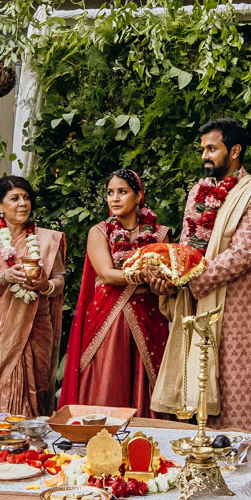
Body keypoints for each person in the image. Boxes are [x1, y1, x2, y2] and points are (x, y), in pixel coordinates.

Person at [144, 118, 251, 431]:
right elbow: (188, 247)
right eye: (203, 149)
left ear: (235, 151)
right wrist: (171, 273)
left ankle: (240, 469)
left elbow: (243, 254)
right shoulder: (198, 192)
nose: (205, 155)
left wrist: (190, 279)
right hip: (192, 303)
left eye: (212, 148)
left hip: (233, 307)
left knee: (233, 386)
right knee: (191, 384)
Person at [60, 169, 172, 416]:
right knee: (108, 379)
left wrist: (165, 282)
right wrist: (142, 275)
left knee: (147, 377)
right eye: (110, 193)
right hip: (108, 322)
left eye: (123, 192)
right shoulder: (99, 232)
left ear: (138, 196)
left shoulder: (161, 234)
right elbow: (108, 274)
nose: (115, 198)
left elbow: (168, 275)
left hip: (150, 317)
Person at [0, 177, 67, 417]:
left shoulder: (45, 239)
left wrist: (45, 285)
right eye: (14, 198)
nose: (23, 204)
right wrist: (3, 276)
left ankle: (30, 450)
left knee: (34, 391)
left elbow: (59, 281)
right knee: (0, 391)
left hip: (35, 326)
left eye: (27, 197)